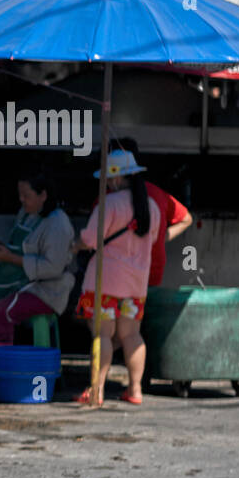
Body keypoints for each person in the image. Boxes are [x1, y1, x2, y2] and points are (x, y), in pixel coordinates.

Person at [0, 171, 74, 398]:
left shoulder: (58, 224)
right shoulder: (27, 214)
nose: (22, 200)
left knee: (2, 309)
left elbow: (52, 267)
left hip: (46, 290)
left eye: (26, 195)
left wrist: (10, 259)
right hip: (21, 281)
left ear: (43, 195)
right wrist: (2, 250)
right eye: (20, 195)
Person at [72, 149, 160, 407]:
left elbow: (89, 239)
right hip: (136, 284)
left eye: (110, 178)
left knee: (103, 335)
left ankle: (96, 391)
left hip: (105, 282)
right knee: (132, 336)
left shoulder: (109, 203)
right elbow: (153, 240)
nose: (108, 183)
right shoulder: (151, 206)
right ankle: (135, 390)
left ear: (118, 178)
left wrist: (75, 246)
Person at [111, 139, 193, 287]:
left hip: (121, 276)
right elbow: (186, 219)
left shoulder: (108, 200)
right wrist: (160, 237)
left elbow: (93, 240)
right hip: (150, 272)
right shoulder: (157, 194)